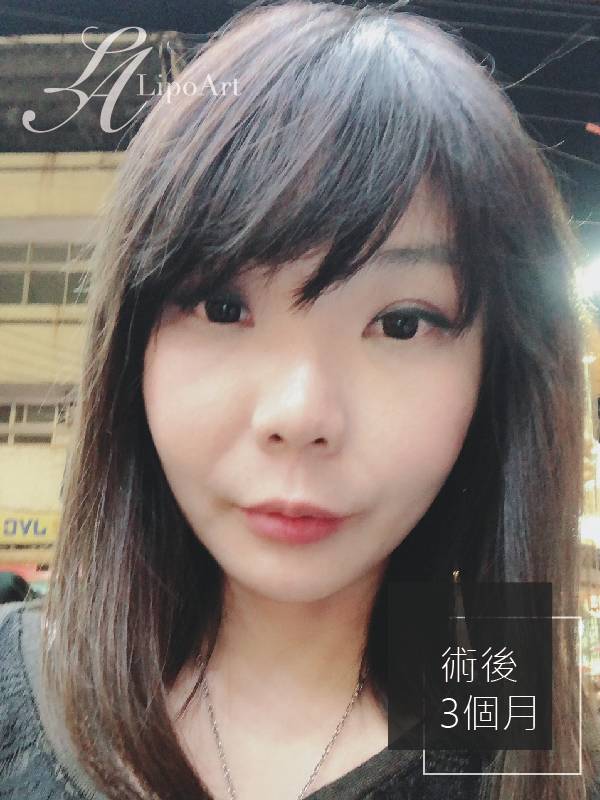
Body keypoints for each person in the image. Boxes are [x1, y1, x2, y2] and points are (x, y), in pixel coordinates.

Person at [1, 1, 599, 798]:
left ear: (499, 374)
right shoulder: (17, 690)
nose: (300, 415)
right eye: (222, 306)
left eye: (402, 322)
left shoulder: (507, 731)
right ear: (133, 341)